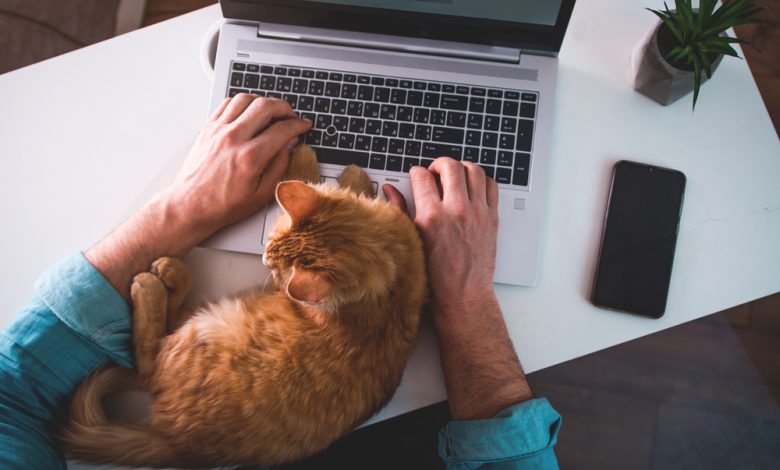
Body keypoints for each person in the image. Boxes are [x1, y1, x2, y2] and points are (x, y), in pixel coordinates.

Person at [0, 95, 561, 469]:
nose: (276, 273)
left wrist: (183, 211)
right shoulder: (357, 278)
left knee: (209, 342)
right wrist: (466, 299)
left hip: (265, 420)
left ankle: (152, 356)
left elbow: (11, 390)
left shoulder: (325, 285)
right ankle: (153, 364)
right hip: (282, 427)